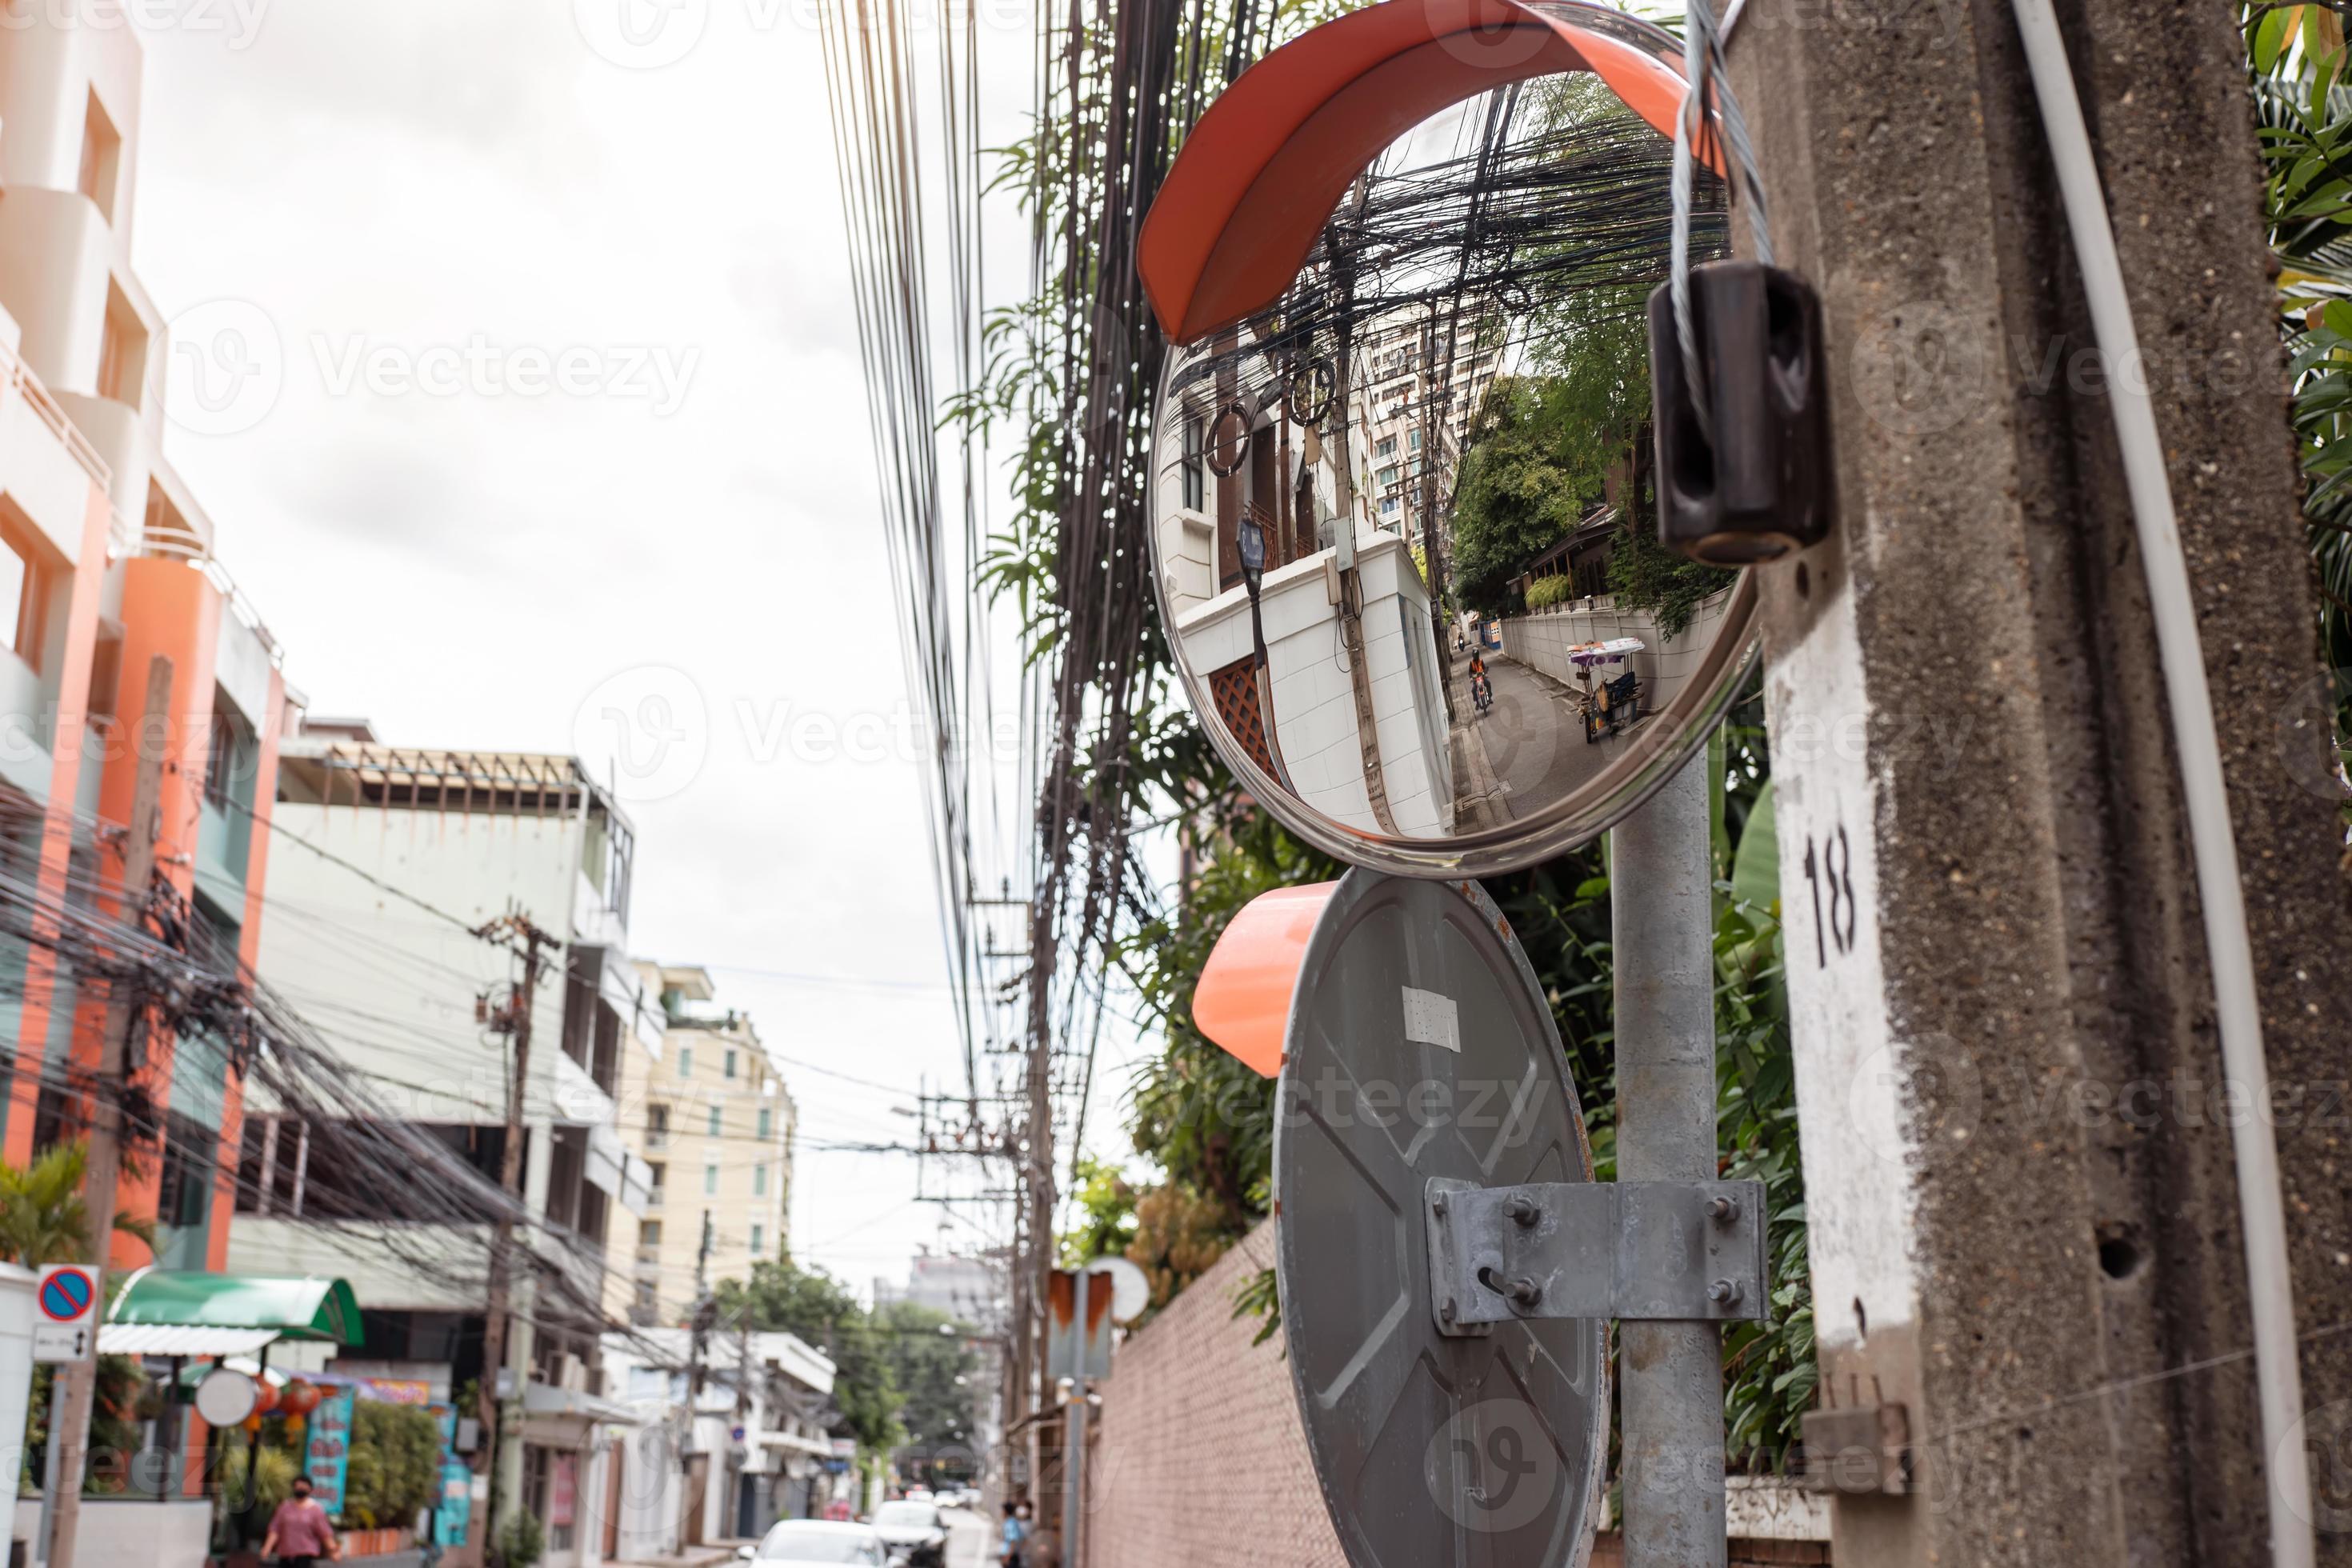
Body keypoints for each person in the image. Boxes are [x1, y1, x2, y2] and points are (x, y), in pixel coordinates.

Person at [262, 1474, 339, 1566]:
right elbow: (275, 1529)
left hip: (305, 1555)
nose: (300, 1490)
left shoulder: (316, 1509)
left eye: (303, 1487)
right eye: (298, 1487)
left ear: (310, 1489)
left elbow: (324, 1532)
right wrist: (267, 1547)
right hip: (285, 1554)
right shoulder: (285, 1507)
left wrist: (333, 1550)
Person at [998, 1500, 1028, 1568]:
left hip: (1009, 1557)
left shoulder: (1011, 1524)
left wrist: (1008, 1556)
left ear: (1005, 1511)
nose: (1001, 1513)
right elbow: (1025, 1540)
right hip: (1011, 1555)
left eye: (1002, 1510)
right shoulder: (1013, 1522)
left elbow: (1013, 1540)